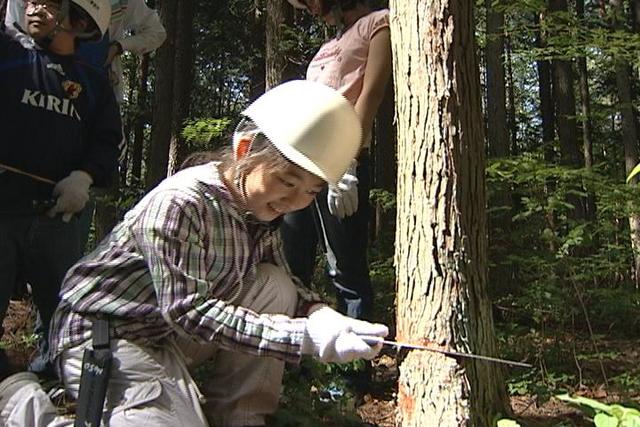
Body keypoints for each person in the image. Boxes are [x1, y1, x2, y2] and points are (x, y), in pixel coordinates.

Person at [0, 80, 389, 427]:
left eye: (311, 192)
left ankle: (242, 416)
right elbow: (188, 310)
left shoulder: (259, 213)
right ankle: (22, 405)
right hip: (104, 335)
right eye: (287, 181)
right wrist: (305, 338)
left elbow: (288, 287)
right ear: (244, 150)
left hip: (165, 336)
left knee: (275, 285)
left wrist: (321, 316)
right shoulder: (182, 202)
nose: (294, 200)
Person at [0, 0, 121, 378]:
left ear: (81, 20)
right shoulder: (7, 52)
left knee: (61, 316)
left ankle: (54, 386)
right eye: (32, 0)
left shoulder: (94, 82)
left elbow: (106, 142)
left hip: (58, 217)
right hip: (2, 210)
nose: (34, 7)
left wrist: (84, 177)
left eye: (50, 3)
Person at [282, 0, 392, 320]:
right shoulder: (329, 45)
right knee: (293, 264)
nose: (310, 10)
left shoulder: (379, 23)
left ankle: (353, 367)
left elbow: (370, 95)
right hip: (301, 162)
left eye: (309, 1)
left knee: (346, 269)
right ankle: (294, 361)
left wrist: (347, 159)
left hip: (340, 164)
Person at [5, 0, 167, 104]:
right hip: (33, 85)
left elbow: (157, 32)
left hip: (93, 93)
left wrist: (118, 46)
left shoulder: (122, 2)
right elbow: (13, 29)